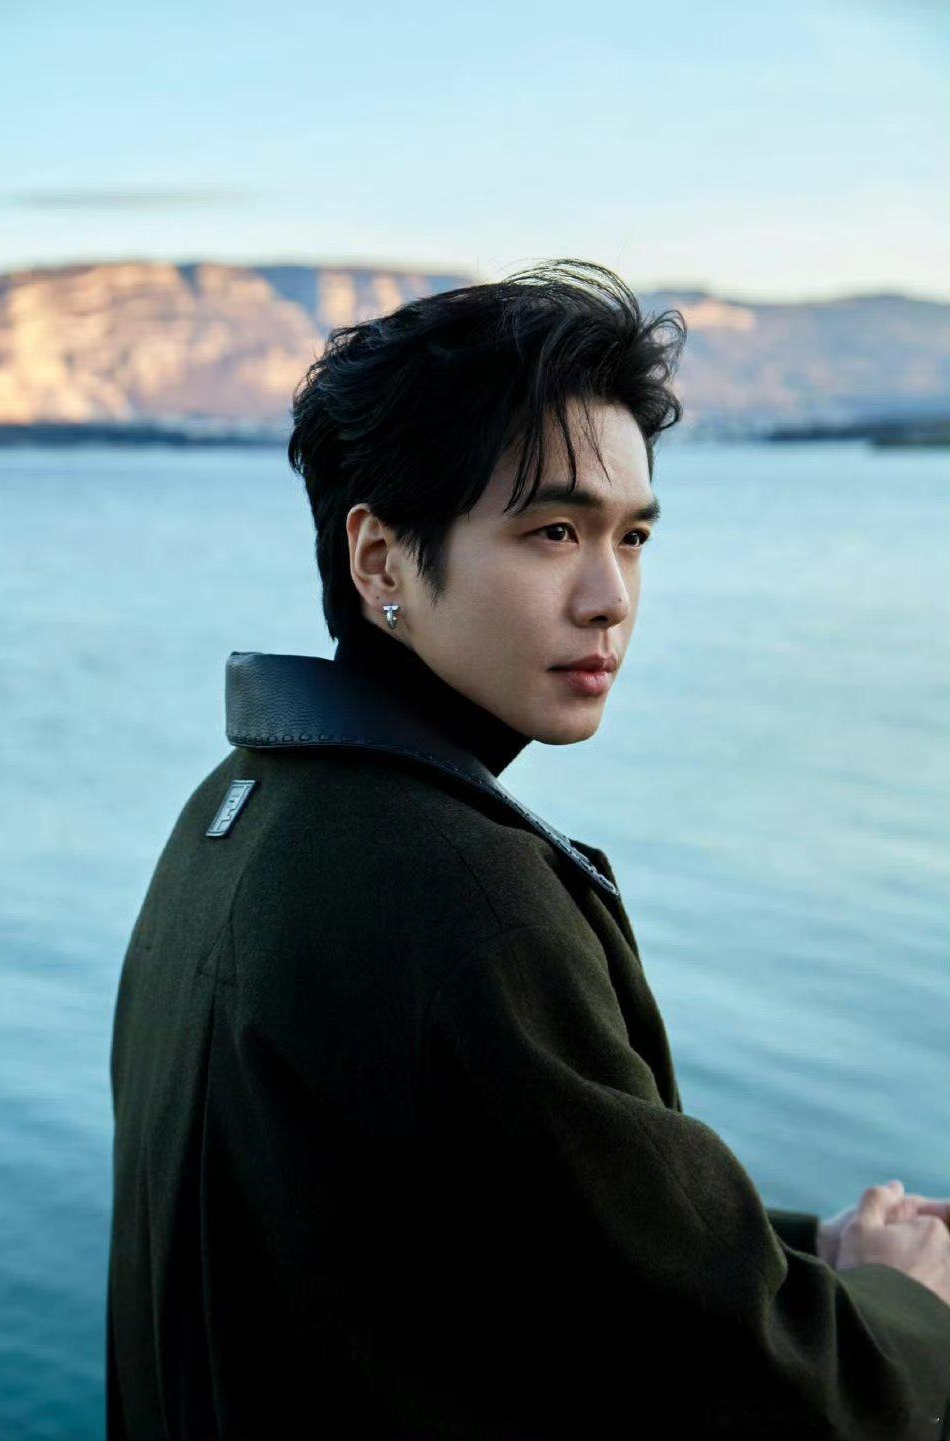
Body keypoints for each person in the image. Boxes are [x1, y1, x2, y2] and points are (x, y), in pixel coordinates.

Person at [106, 260, 950, 1440]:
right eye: (554, 531)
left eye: (633, 536)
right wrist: (908, 1306)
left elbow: (529, 1217)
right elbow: (772, 1394)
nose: (610, 597)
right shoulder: (455, 889)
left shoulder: (238, 805)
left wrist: (823, 1252)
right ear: (380, 560)